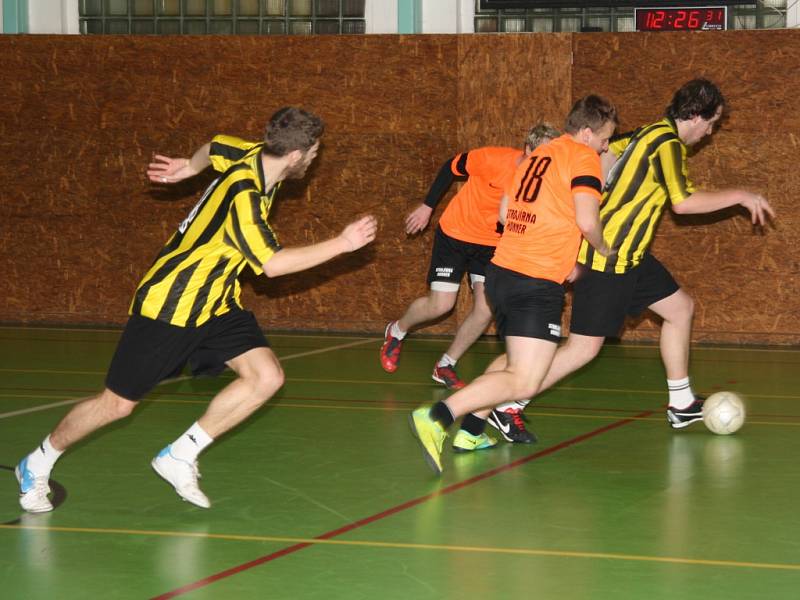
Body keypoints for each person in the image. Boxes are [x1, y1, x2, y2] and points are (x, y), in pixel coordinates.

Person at [15, 107, 378, 513]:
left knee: (266, 375)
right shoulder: (246, 199)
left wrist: (190, 165)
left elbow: (217, 143)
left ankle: (180, 454)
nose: (314, 158)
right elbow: (272, 265)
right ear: (295, 156)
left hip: (216, 301)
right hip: (169, 306)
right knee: (116, 404)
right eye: (313, 152)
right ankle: (37, 462)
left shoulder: (253, 153)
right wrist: (343, 244)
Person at [481, 78, 775, 443]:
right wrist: (741, 196)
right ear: (696, 116)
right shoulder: (666, 144)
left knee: (680, 308)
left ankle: (681, 404)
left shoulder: (647, 134)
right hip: (607, 259)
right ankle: (509, 406)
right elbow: (682, 203)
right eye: (711, 123)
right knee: (583, 348)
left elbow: (605, 152)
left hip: (633, 257)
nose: (710, 132)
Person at [408, 95, 618, 474]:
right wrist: (605, 249)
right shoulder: (583, 157)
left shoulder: (537, 155)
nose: (606, 147)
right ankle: (438, 416)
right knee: (524, 380)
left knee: (516, 360)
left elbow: (505, 212)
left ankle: (472, 430)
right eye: (605, 139)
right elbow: (588, 222)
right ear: (587, 133)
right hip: (533, 280)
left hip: (501, 271)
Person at [380, 124, 560, 405]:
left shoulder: (544, 183)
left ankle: (446, 364)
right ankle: (398, 330)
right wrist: (428, 206)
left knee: (485, 307)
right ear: (528, 150)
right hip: (456, 234)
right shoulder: (491, 159)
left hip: (491, 246)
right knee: (441, 305)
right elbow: (450, 168)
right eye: (542, 156)